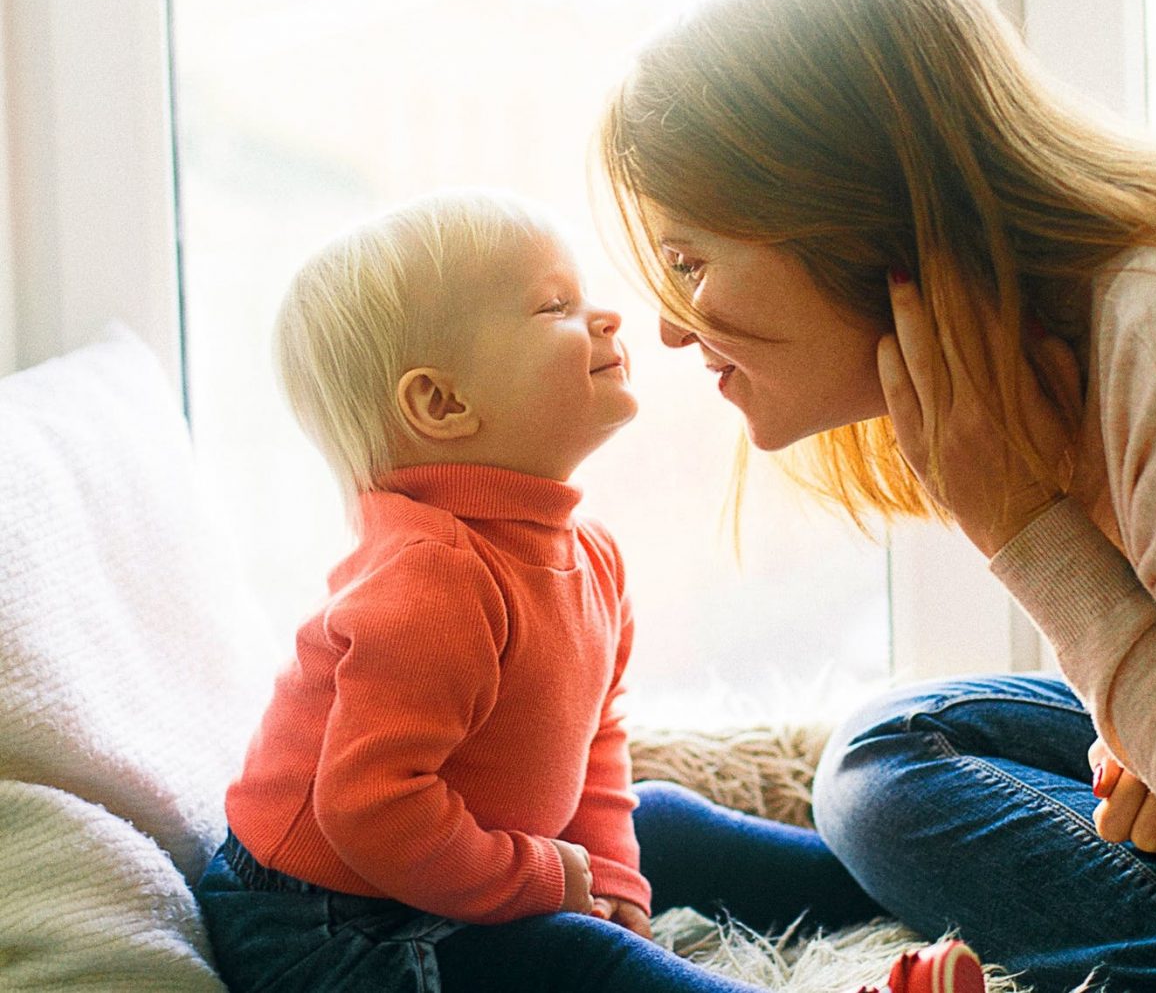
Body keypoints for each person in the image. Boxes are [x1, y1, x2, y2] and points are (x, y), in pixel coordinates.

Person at [596, 0, 1156, 993]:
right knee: (888, 752)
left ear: (844, 210)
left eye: (690, 260)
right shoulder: (1077, 347)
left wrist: (1025, 532)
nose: (668, 324)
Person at [194, 188, 983, 993]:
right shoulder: (430, 578)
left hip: (445, 863)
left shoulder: (589, 556)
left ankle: (943, 897)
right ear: (442, 403)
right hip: (325, 927)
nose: (605, 316)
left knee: (661, 819)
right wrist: (541, 879)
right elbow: (369, 809)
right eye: (554, 306)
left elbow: (594, 743)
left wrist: (612, 877)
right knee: (580, 957)